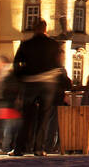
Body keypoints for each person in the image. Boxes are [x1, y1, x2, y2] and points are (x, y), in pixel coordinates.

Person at [12, 21, 62, 156]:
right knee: (44, 116)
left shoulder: (26, 44)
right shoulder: (53, 44)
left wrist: (22, 77)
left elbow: (16, 64)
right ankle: (39, 148)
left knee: (26, 116)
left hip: (30, 82)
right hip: (48, 82)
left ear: (34, 29)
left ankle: (19, 148)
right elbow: (58, 64)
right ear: (46, 29)